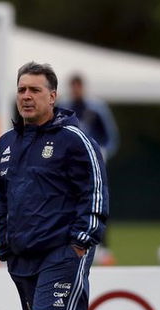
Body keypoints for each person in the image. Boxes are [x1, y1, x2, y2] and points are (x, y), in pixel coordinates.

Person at [0, 62, 109, 310]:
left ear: (53, 96)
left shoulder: (74, 139)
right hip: (23, 254)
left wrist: (82, 239)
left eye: (35, 90)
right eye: (21, 89)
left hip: (63, 249)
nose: (26, 96)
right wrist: (4, 240)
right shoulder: (5, 145)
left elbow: (95, 190)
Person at [60, 73, 118, 265]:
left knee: (97, 202)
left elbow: (111, 138)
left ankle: (103, 248)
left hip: (93, 165)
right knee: (70, 202)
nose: (76, 90)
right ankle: (72, 242)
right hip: (72, 167)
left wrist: (102, 153)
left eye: (78, 86)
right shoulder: (64, 108)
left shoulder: (96, 109)